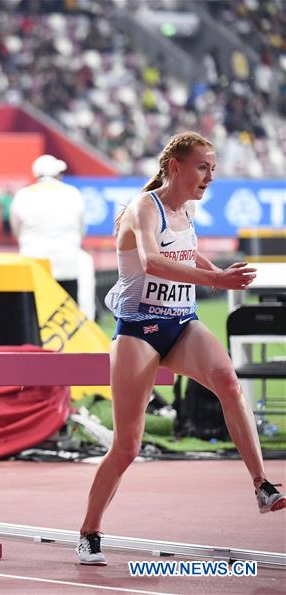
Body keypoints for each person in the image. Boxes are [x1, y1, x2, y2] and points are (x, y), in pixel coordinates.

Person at [76, 132, 284, 566]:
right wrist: (215, 282)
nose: (209, 177)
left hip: (181, 324)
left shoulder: (186, 210)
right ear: (176, 167)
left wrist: (216, 269)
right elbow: (151, 261)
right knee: (127, 447)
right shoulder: (142, 208)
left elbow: (189, 256)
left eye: (213, 169)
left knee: (228, 381)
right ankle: (90, 530)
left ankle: (262, 485)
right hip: (139, 331)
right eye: (202, 167)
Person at [10, 154, 85, 303]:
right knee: (66, 318)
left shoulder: (23, 195)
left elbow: (16, 230)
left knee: (35, 317)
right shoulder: (73, 193)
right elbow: (81, 228)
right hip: (67, 265)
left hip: (34, 264)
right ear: (58, 174)